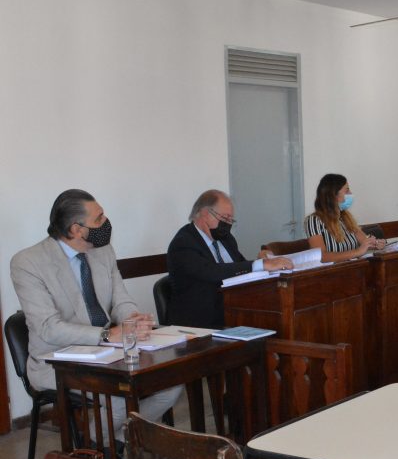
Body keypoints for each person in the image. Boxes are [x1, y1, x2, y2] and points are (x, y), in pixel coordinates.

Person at [10, 189, 182, 445]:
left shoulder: (103, 250)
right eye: (99, 218)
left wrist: (132, 319)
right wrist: (106, 335)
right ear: (76, 229)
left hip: (108, 353)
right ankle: (99, 447)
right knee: (118, 396)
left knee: (170, 383)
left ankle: (105, 442)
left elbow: (120, 298)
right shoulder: (28, 262)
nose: (106, 222)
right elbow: (48, 328)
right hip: (57, 360)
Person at [167, 189, 293, 328]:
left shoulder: (226, 239)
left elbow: (240, 267)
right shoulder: (183, 243)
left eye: (230, 220)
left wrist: (265, 260)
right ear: (205, 213)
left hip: (233, 312)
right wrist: (259, 264)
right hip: (198, 323)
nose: (227, 224)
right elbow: (212, 272)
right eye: (225, 218)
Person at [304, 173, 385, 262]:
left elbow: (364, 241)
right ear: (333, 195)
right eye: (347, 191)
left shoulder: (345, 217)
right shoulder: (314, 220)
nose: (351, 194)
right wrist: (357, 252)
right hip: (334, 270)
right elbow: (321, 257)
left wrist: (376, 244)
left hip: (354, 266)